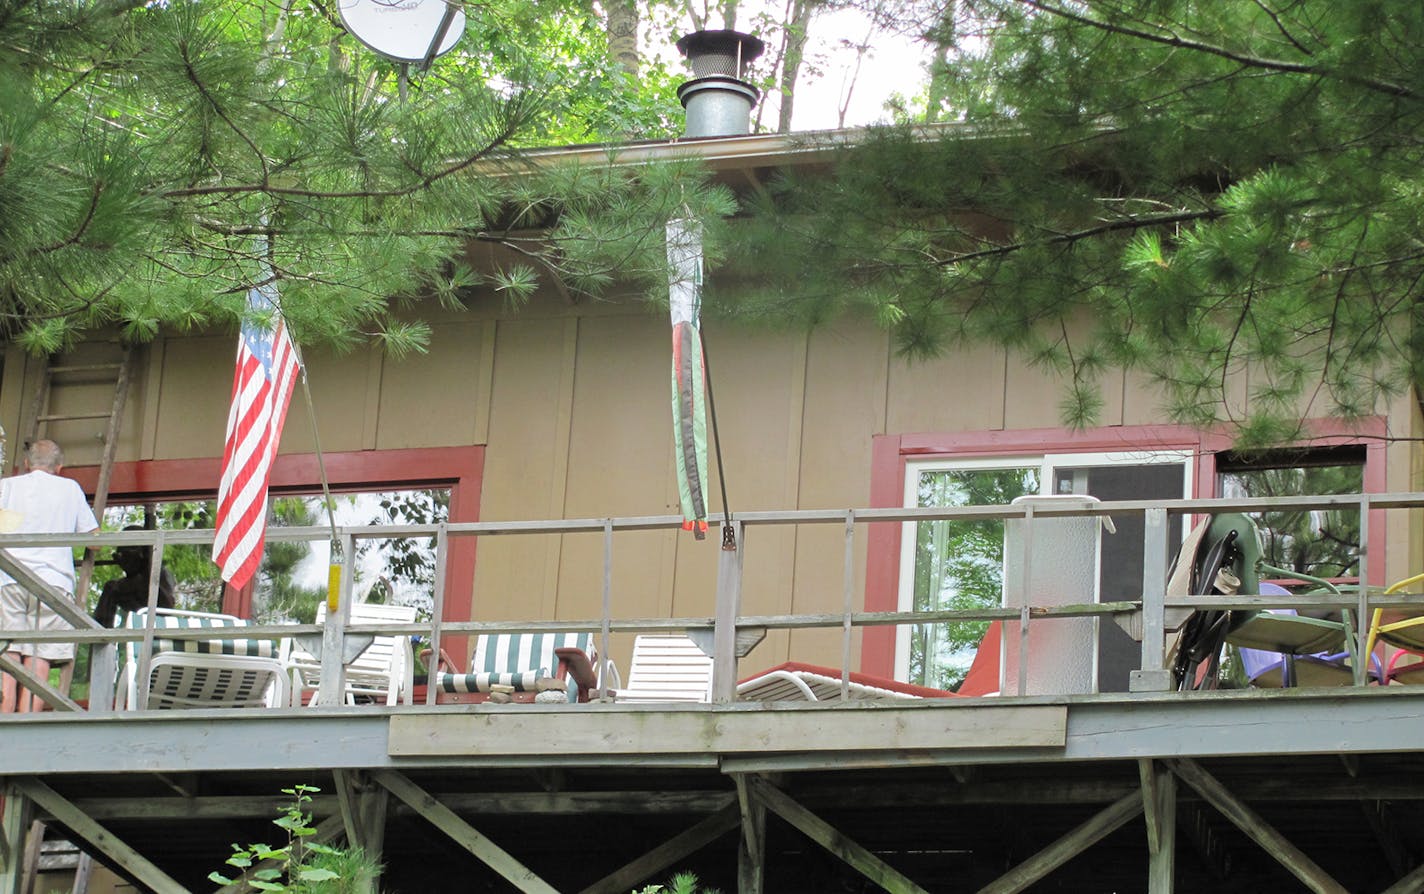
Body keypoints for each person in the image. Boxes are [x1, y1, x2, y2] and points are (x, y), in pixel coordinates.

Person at [0, 440, 99, 712]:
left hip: (9, 578)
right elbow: (94, 541)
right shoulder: (69, 488)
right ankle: (27, 724)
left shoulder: (6, 486)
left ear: (28, 464)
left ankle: (3, 722)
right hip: (53, 583)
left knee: (7, 654)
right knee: (39, 656)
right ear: (59, 467)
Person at [91, 525, 176, 627]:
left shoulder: (156, 572)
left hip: (156, 617)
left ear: (141, 552)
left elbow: (166, 605)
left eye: (125, 553)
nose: (121, 557)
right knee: (111, 588)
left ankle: (101, 636)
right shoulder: (133, 578)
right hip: (139, 611)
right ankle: (101, 635)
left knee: (111, 587)